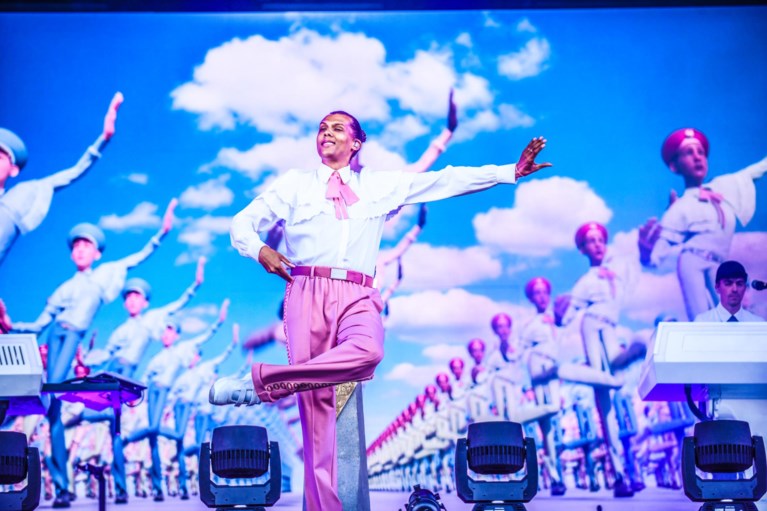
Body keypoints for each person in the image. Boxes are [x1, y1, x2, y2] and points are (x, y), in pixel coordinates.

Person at [212, 109, 550, 510]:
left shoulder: (378, 185)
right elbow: (241, 224)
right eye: (321, 127)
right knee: (319, 423)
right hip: (306, 290)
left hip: (358, 293)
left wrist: (508, 171)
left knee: (368, 350)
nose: (326, 133)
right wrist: (260, 249)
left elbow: (443, 180)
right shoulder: (295, 184)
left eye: (337, 128)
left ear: (356, 143)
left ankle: (264, 383)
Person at [6, 200, 175, 508]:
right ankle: (62, 486)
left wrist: (160, 234)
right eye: (77, 246)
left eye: (88, 245)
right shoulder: (62, 289)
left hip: (73, 337)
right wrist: (10, 324)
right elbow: (40, 324)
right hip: (56, 337)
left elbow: (137, 258)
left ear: (97, 253)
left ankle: (111, 484)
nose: (81, 250)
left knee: (89, 413)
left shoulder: (104, 277)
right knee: (50, 407)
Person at [638, 128, 767, 320]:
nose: (697, 157)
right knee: (702, 317)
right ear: (675, 166)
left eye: (700, 152)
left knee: (730, 316)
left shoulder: (724, 187)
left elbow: (756, 170)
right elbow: (657, 254)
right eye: (688, 153)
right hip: (693, 261)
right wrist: (646, 254)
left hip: (719, 263)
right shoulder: (680, 207)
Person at [554, 222, 636, 497]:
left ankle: (573, 371)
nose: (597, 244)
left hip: (611, 328)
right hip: (592, 327)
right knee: (605, 404)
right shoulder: (585, 282)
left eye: (600, 238)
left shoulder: (618, 269)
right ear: (582, 248)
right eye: (590, 241)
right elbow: (566, 317)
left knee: (616, 379)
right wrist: (558, 312)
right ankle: (620, 474)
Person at [0, 93, 124, 266]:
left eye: (0, 158)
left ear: (13, 170)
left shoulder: (19, 197)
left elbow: (74, 172)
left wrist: (104, 138)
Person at [694, 260, 764, 322]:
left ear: (745, 288)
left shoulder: (757, 323)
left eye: (739, 284)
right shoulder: (703, 322)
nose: (734, 289)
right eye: (728, 283)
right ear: (717, 287)